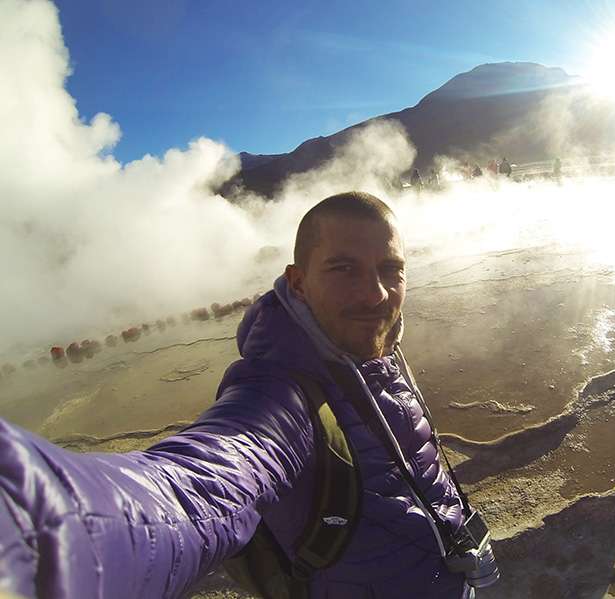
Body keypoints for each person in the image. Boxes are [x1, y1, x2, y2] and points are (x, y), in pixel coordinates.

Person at [0, 192, 498, 598]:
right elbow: (197, 488)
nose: (376, 294)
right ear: (298, 282)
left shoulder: (379, 358)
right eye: (344, 268)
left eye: (390, 268)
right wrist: (38, 527)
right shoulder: (279, 392)